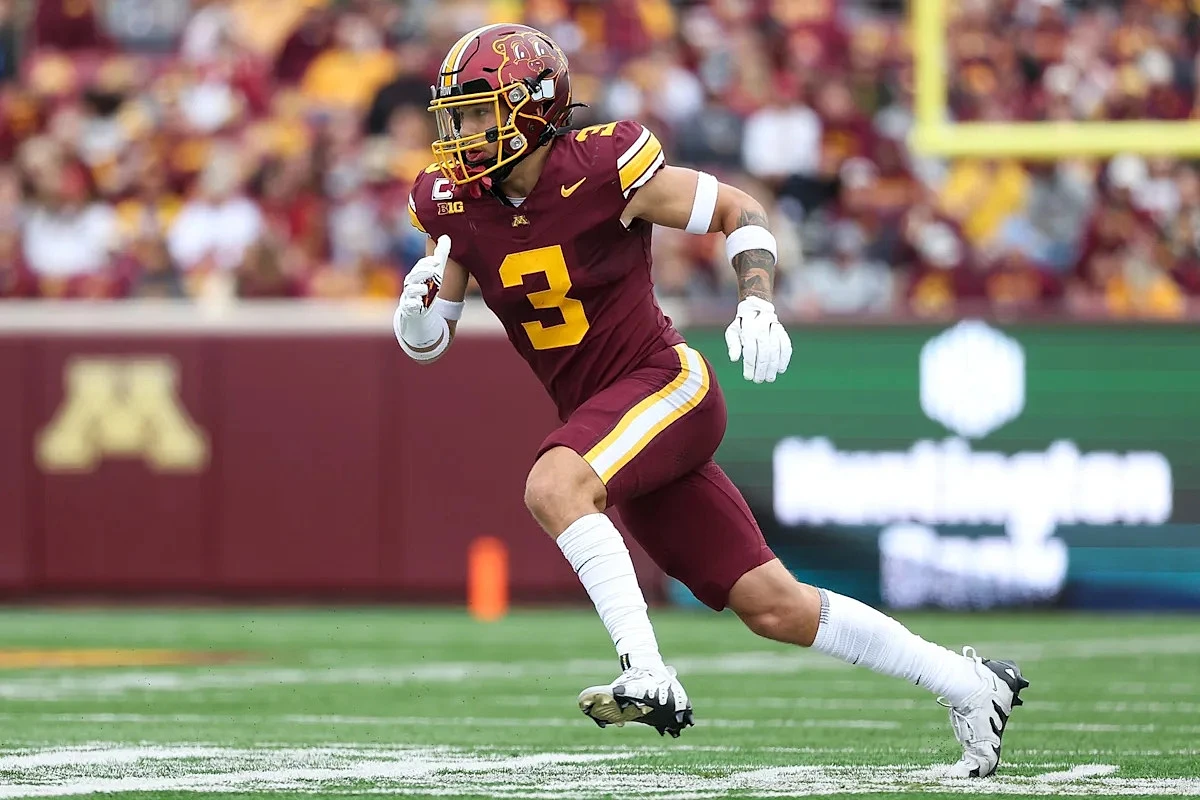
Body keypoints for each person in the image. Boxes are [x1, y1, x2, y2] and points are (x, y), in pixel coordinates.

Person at [395, 23, 1028, 777]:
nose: (461, 133)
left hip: (665, 385)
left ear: (532, 106)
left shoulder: (601, 166)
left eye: (477, 111)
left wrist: (756, 300)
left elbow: (740, 210)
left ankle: (646, 671)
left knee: (554, 485)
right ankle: (971, 684)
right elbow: (431, 339)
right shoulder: (452, 203)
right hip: (610, 426)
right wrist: (415, 314)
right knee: (774, 605)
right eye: (456, 115)